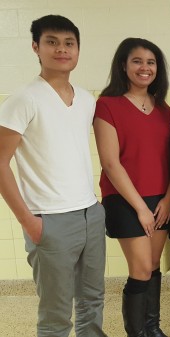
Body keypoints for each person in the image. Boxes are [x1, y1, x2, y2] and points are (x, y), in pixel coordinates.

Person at [0, 15, 107, 337]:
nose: (62, 49)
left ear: (77, 49)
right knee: (56, 314)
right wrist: (27, 220)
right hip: (49, 219)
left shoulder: (87, 100)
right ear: (36, 47)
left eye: (69, 43)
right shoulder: (23, 99)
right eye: (52, 42)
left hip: (90, 212)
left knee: (93, 300)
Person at [94, 38, 170, 337]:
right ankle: (137, 333)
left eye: (151, 62)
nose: (144, 67)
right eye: (137, 61)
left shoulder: (164, 109)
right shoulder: (107, 104)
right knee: (140, 270)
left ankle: (152, 328)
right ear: (124, 65)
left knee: (153, 266)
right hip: (126, 200)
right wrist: (140, 208)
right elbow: (111, 163)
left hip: (160, 199)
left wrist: (169, 198)